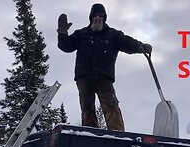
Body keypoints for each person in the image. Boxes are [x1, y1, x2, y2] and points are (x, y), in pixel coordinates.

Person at [57, 3, 152, 131]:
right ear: (91, 18)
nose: (98, 18)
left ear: (104, 18)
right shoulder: (81, 34)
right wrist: (62, 33)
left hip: (104, 77)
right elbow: (66, 46)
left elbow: (127, 42)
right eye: (95, 16)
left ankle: (117, 133)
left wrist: (140, 47)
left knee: (111, 105)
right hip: (84, 76)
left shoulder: (113, 35)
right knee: (87, 107)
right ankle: (90, 133)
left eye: (100, 16)